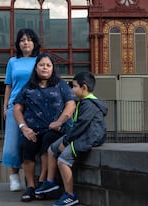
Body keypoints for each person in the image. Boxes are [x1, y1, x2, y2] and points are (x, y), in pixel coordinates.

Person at [34, 71, 108, 206]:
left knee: (62, 161)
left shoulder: (89, 105)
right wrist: (64, 139)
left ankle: (70, 195)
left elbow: (81, 126)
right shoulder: (82, 102)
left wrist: (66, 141)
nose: (71, 89)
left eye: (74, 86)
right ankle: (50, 182)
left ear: (84, 87)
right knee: (52, 149)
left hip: (89, 137)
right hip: (81, 134)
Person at [13, 53, 76, 202]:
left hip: (54, 129)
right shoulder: (28, 86)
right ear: (36, 68)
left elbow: (71, 104)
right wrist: (24, 128)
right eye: (41, 65)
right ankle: (31, 187)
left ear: (53, 68)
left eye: (48, 65)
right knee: (27, 146)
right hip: (33, 129)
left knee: (48, 141)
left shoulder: (60, 84)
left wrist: (60, 121)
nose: (45, 68)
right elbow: (17, 109)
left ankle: (43, 182)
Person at [2, 28, 41, 192]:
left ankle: (34, 179)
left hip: (34, 105)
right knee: (12, 142)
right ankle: (14, 176)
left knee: (31, 142)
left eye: (29, 39)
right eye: (23, 40)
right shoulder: (13, 61)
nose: (26, 42)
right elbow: (9, 85)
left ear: (34, 43)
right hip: (14, 105)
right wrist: (5, 107)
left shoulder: (40, 60)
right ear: (18, 44)